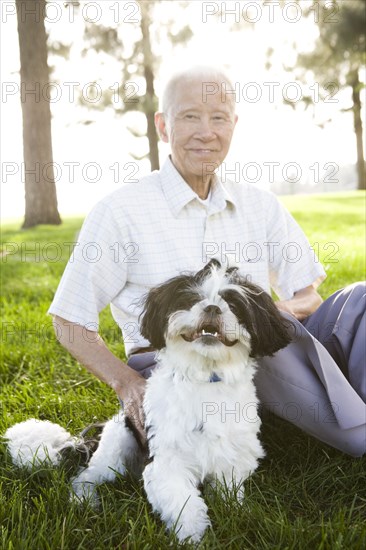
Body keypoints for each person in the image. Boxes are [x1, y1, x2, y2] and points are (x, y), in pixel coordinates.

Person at [49, 66, 366, 457]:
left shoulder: (260, 204)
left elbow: (309, 298)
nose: (206, 131)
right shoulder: (120, 211)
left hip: (267, 346)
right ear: (164, 126)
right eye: (190, 116)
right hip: (182, 363)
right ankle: (356, 431)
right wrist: (127, 383)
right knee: (222, 339)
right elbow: (68, 319)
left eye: (218, 118)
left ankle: (343, 399)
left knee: (360, 302)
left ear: (233, 125)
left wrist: (270, 311)